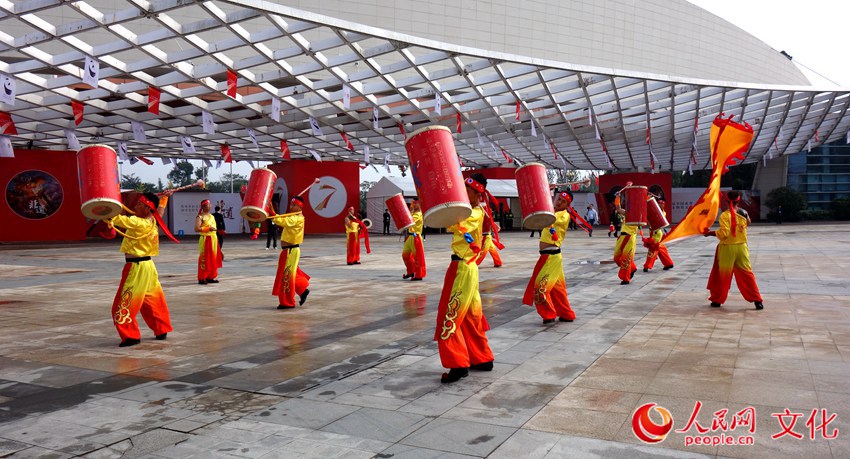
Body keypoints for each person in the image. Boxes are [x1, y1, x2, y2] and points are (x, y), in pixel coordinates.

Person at [435, 173, 495, 384]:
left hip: (462, 268)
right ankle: (482, 358)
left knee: (449, 316)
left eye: (465, 190)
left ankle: (458, 364)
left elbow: (452, 223)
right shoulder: (476, 211)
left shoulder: (474, 213)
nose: (462, 192)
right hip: (467, 267)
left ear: (476, 193)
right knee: (471, 317)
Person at [106, 191, 175, 347]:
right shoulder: (152, 221)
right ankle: (161, 329)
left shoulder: (139, 223)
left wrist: (104, 206)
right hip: (148, 267)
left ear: (146, 207)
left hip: (136, 267)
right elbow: (160, 210)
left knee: (124, 302)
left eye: (138, 204)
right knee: (152, 300)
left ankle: (131, 336)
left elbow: (115, 218)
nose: (135, 206)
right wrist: (164, 198)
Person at [523, 191, 577, 324]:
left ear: (568, 204)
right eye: (558, 199)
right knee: (558, 289)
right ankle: (567, 314)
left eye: (563, 201)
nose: (559, 202)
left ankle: (548, 314)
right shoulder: (553, 212)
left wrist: (544, 193)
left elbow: (549, 217)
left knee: (540, 288)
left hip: (551, 257)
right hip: (550, 256)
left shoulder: (564, 216)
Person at [704, 191, 764, 310]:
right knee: (747, 274)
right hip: (742, 248)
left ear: (726, 201)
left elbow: (724, 233)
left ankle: (718, 300)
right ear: (738, 201)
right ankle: (757, 300)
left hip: (727, 248)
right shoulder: (744, 212)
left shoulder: (725, 215)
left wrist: (709, 233)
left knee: (723, 275)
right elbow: (749, 222)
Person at [270, 195, 311, 309]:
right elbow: (282, 220)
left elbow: (284, 222)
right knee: (291, 273)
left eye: (294, 205)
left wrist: (273, 213)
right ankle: (302, 290)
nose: (291, 206)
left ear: (300, 207)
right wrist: (274, 214)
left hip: (291, 250)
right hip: (288, 251)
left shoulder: (297, 218)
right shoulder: (293, 216)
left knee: (287, 275)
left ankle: (287, 302)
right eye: (291, 204)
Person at [613, 194, 639, 285]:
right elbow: (618, 208)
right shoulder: (627, 212)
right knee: (616, 258)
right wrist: (617, 197)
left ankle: (626, 278)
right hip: (622, 236)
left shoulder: (639, 215)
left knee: (626, 258)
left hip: (630, 236)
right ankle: (632, 268)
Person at [642, 197, 674, 272]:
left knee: (652, 249)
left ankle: (647, 266)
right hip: (653, 232)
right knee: (661, 249)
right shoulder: (656, 210)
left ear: (664, 205)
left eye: (661, 203)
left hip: (657, 233)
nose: (659, 204)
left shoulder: (662, 213)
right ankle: (668, 263)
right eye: (658, 203)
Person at [195, 199, 222, 284]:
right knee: (204, 258)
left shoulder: (212, 216)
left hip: (213, 238)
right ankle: (202, 277)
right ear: (203, 207)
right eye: (207, 205)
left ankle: (211, 276)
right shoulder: (200, 217)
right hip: (205, 238)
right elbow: (196, 229)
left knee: (213, 258)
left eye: (210, 204)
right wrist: (208, 228)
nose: (210, 206)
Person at [402, 199, 426, 280]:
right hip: (410, 237)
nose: (412, 205)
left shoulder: (418, 214)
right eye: (412, 203)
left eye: (415, 203)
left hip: (416, 237)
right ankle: (411, 271)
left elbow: (409, 221)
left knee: (417, 257)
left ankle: (418, 275)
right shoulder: (413, 213)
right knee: (405, 255)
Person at [475, 201, 503, 268]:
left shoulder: (484, 210)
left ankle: (475, 263)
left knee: (484, 250)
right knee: (491, 249)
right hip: (486, 233)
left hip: (486, 234)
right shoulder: (484, 210)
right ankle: (498, 262)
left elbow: (489, 221)